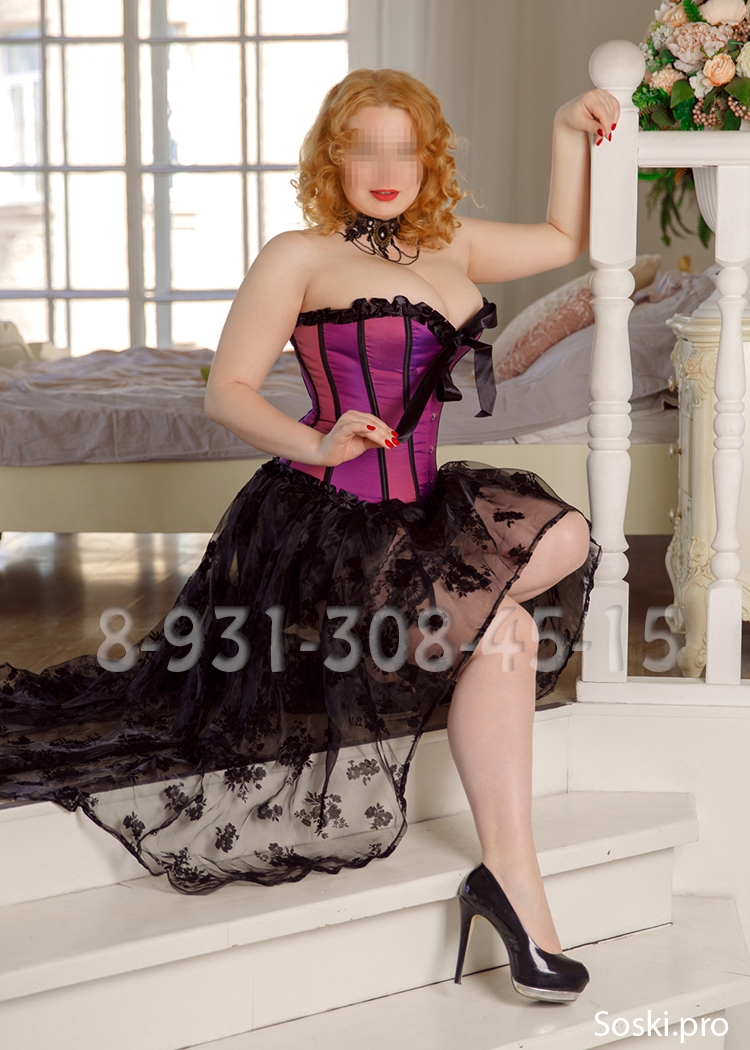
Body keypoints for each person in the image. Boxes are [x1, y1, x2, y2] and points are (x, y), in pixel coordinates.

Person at [0, 68, 617, 1003]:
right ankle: (518, 888)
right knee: (510, 628)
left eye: (405, 149)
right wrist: (319, 443)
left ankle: (429, 677)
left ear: (430, 159)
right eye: (364, 148)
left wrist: (570, 126)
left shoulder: (449, 242)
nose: (386, 167)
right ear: (333, 157)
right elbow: (227, 391)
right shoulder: (300, 255)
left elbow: (565, 239)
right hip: (323, 528)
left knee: (563, 538)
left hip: (415, 520)